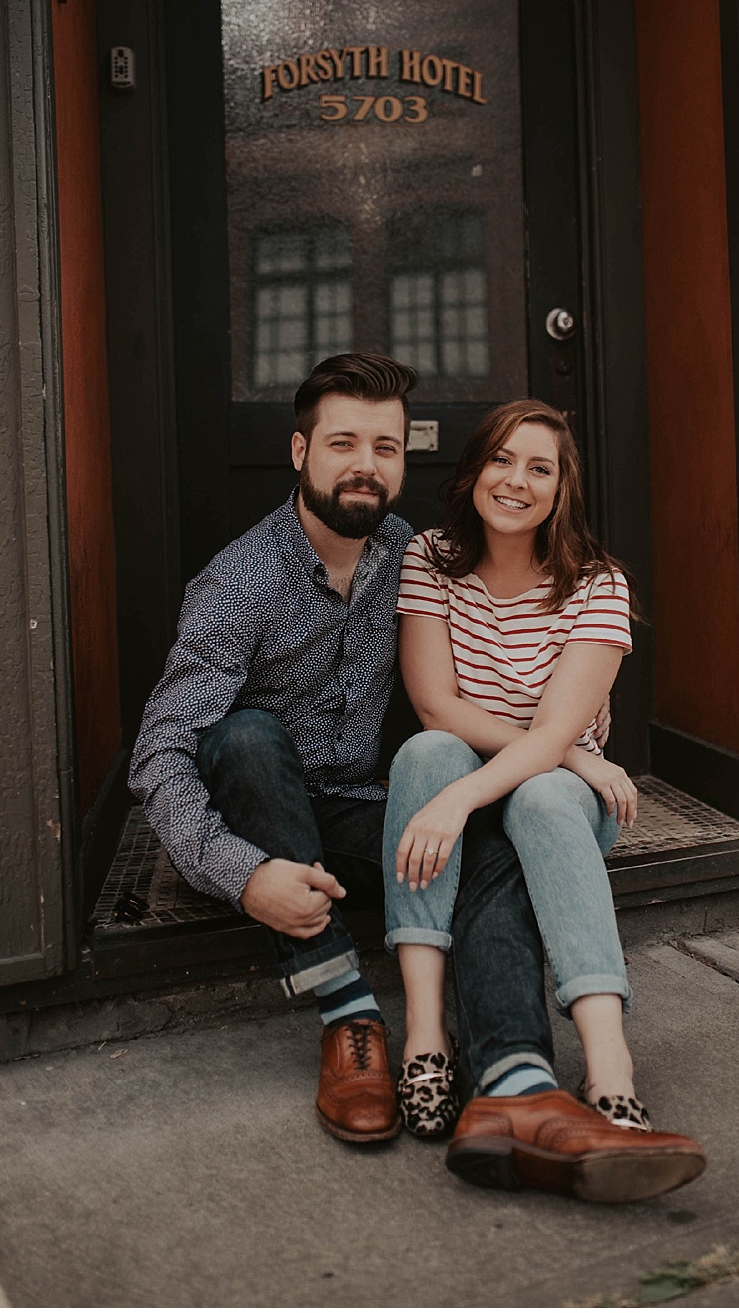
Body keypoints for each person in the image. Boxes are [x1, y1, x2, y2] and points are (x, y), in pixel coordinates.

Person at [129, 354, 687, 1203]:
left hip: (358, 811)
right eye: (343, 443)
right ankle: (350, 1016)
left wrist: (565, 746)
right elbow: (160, 752)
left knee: (490, 836)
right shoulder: (239, 583)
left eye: (384, 447)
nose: (366, 464)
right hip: (261, 822)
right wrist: (243, 875)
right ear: (299, 452)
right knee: (244, 736)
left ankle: (514, 1078)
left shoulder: (407, 551)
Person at [382, 398, 706, 1203]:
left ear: (562, 488)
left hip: (558, 800)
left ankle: (610, 1071)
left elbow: (554, 731)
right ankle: (425, 1037)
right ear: (474, 469)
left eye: (540, 468)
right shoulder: (430, 556)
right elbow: (435, 705)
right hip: (494, 765)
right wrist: (563, 755)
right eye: (502, 459)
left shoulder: (597, 584)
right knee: (426, 752)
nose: (516, 481)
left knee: (545, 799)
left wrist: (490, 787)